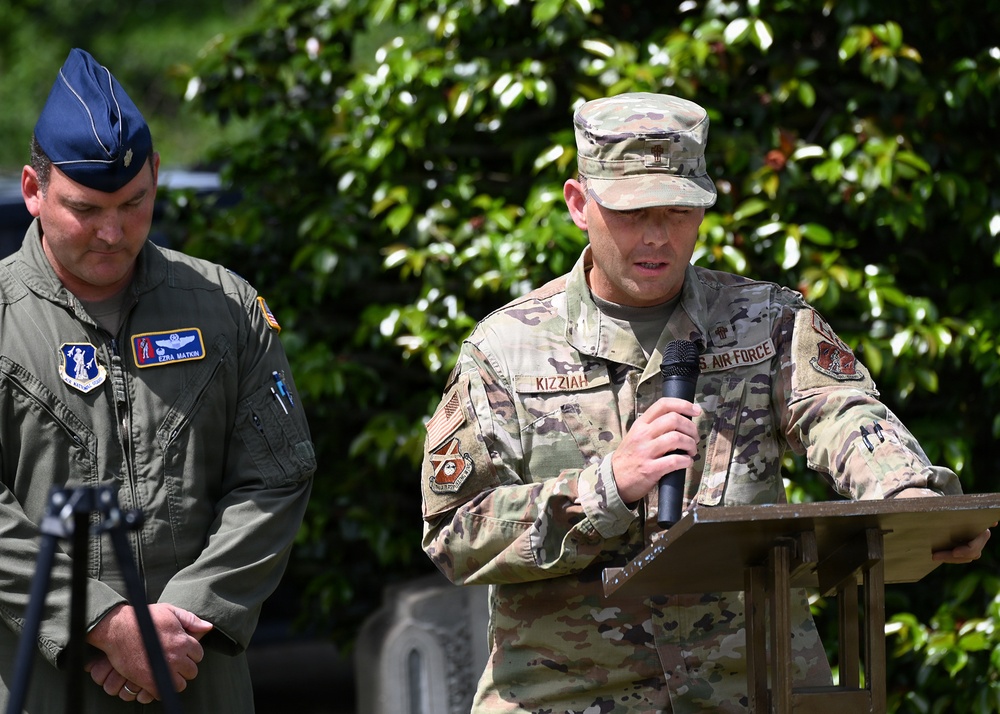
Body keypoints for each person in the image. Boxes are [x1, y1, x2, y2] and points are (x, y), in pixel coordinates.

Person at [419, 91, 991, 713]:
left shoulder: (766, 321)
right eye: (634, 212)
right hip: (569, 693)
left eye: (679, 211)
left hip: (751, 687)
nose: (658, 236)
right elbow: (455, 531)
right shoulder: (506, 349)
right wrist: (606, 486)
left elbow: (842, 413)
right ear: (579, 204)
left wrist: (906, 495)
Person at [0, 48, 316, 711]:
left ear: (156, 179)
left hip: (196, 674)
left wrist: (182, 624)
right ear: (33, 189)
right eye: (85, 209)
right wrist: (105, 624)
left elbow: (277, 475)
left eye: (134, 202)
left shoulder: (226, 308)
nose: (113, 232)